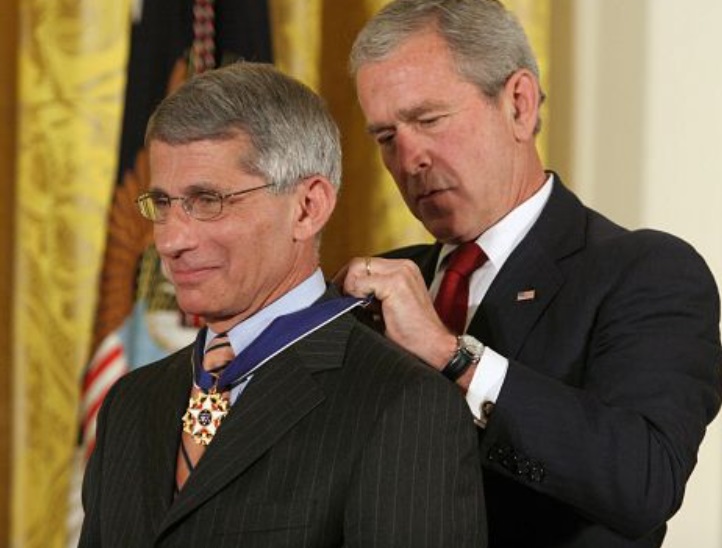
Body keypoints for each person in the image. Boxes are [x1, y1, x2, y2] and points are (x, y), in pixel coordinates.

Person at [337, 1, 722, 546]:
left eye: (428, 120)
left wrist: (453, 356)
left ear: (518, 104)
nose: (409, 158)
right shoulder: (374, 291)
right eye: (385, 137)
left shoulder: (644, 272)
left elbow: (642, 483)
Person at [79, 62, 487, 547]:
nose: (171, 241)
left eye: (207, 200)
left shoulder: (402, 407)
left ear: (308, 207)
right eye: (162, 204)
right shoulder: (130, 401)